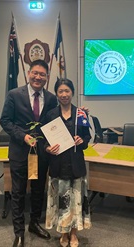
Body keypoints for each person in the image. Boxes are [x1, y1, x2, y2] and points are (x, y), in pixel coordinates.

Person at [0, 59, 58, 247]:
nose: (38, 77)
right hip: (20, 151)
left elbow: (52, 125)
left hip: (41, 153)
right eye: (35, 73)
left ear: (47, 77)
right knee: (17, 192)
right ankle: (18, 232)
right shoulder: (14, 94)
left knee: (38, 190)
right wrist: (23, 136)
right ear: (28, 73)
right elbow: (5, 121)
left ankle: (34, 223)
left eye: (42, 74)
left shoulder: (50, 98)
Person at [44, 78, 92, 247]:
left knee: (75, 201)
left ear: (72, 92)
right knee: (61, 201)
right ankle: (63, 233)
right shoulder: (50, 115)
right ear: (56, 94)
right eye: (60, 91)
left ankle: (73, 234)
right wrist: (48, 148)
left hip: (76, 164)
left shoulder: (81, 113)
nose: (64, 95)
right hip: (58, 164)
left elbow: (87, 138)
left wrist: (82, 141)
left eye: (67, 91)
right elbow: (44, 141)